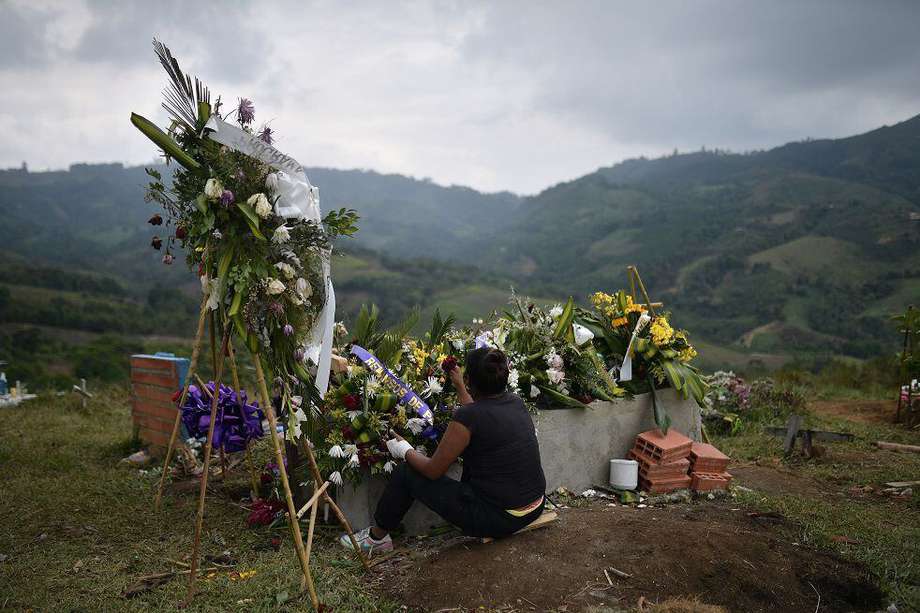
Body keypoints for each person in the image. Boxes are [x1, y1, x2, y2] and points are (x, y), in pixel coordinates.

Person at [340, 347, 546, 554]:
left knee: (406, 473)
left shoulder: (467, 418)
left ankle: (377, 537)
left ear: (469, 379)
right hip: (534, 506)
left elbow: (433, 470)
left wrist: (404, 450)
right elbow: (482, 413)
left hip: (501, 518)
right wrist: (460, 387)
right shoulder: (516, 402)